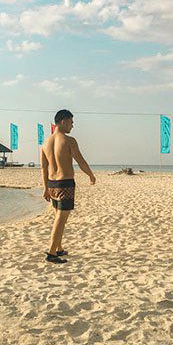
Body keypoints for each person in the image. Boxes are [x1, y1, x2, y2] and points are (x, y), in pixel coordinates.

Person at [40, 109, 96, 263]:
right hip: (65, 183)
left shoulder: (45, 143)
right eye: (71, 122)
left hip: (51, 184)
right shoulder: (69, 141)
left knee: (59, 216)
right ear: (63, 121)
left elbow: (44, 168)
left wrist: (45, 188)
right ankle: (51, 253)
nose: (72, 126)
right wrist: (91, 175)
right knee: (60, 218)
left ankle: (58, 248)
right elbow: (81, 161)